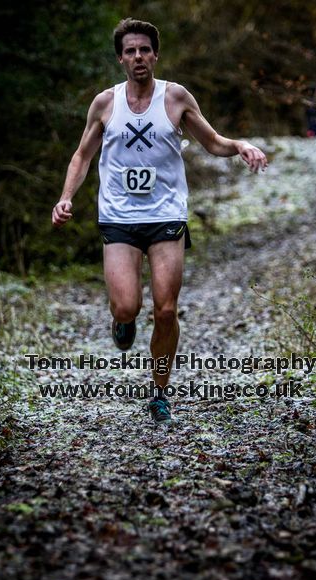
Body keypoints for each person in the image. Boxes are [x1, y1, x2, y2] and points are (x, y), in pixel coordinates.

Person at [51, 18, 267, 425]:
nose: (138, 57)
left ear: (155, 54)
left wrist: (240, 145)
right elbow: (82, 156)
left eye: (145, 50)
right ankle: (123, 322)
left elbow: (213, 142)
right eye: (130, 51)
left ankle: (160, 392)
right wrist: (65, 198)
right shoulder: (104, 103)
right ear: (120, 58)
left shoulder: (175, 97)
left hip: (165, 214)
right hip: (118, 216)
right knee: (127, 306)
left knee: (166, 311)